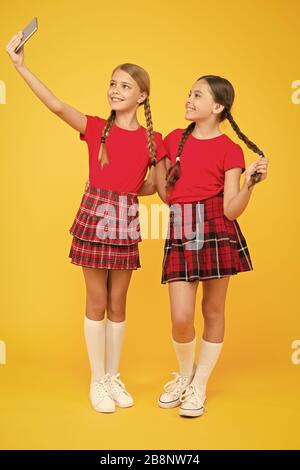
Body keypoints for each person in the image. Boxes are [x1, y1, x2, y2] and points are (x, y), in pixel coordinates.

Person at [5, 31, 167, 414]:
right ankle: (98, 380)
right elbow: (57, 105)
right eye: (112, 83)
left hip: (124, 216)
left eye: (125, 85)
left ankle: (113, 376)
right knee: (97, 299)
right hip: (95, 212)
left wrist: (137, 188)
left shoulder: (153, 140)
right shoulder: (97, 127)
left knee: (119, 300)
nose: (115, 89)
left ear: (142, 96)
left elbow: (155, 187)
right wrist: (20, 66)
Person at [155, 74, 269, 418]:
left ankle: (199, 384)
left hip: (217, 225)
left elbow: (231, 209)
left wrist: (249, 183)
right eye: (189, 93)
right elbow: (165, 194)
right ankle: (185, 374)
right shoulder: (173, 139)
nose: (188, 99)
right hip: (182, 225)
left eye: (197, 95)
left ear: (217, 107)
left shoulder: (230, 150)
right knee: (181, 317)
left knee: (213, 311)